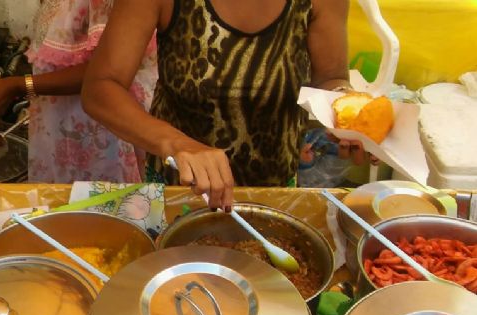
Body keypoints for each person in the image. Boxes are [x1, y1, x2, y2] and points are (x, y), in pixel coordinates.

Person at [82, 0, 364, 210]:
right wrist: (179, 144)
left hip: (272, 192)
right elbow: (101, 86)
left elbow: (331, 77)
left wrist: (347, 111)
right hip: (181, 190)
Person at [0, 0, 157, 183]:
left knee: (102, 207)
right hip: (63, 127)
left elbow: (109, 70)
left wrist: (18, 86)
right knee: (64, 205)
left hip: (102, 134)